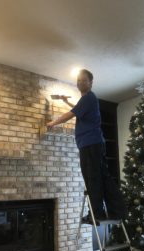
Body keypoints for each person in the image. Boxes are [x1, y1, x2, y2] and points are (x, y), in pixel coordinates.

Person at [47, 69, 127, 225]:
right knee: (99, 177)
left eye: (84, 80)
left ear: (91, 82)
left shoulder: (89, 97)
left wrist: (52, 123)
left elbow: (70, 114)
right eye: (78, 80)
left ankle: (97, 214)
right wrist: (66, 102)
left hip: (91, 145)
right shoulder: (87, 100)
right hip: (92, 144)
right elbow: (77, 110)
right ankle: (113, 211)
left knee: (93, 179)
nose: (80, 82)